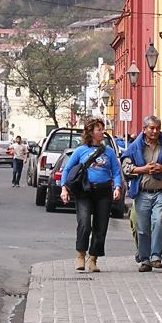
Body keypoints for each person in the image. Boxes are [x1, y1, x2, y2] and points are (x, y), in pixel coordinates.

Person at [60, 117, 122, 273]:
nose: (102, 132)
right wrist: (63, 188)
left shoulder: (108, 152)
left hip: (104, 192)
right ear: (90, 132)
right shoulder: (81, 150)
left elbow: (116, 172)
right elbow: (67, 170)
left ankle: (93, 259)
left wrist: (117, 187)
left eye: (103, 129)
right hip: (85, 192)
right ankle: (81, 255)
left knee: (100, 227)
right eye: (99, 129)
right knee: (85, 223)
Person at [121, 115, 162, 272]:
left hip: (160, 191)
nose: (155, 131)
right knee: (142, 227)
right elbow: (126, 168)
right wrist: (143, 169)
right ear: (144, 130)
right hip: (142, 192)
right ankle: (144, 260)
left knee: (159, 222)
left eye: (157, 128)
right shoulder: (134, 148)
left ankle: (156, 257)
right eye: (151, 128)